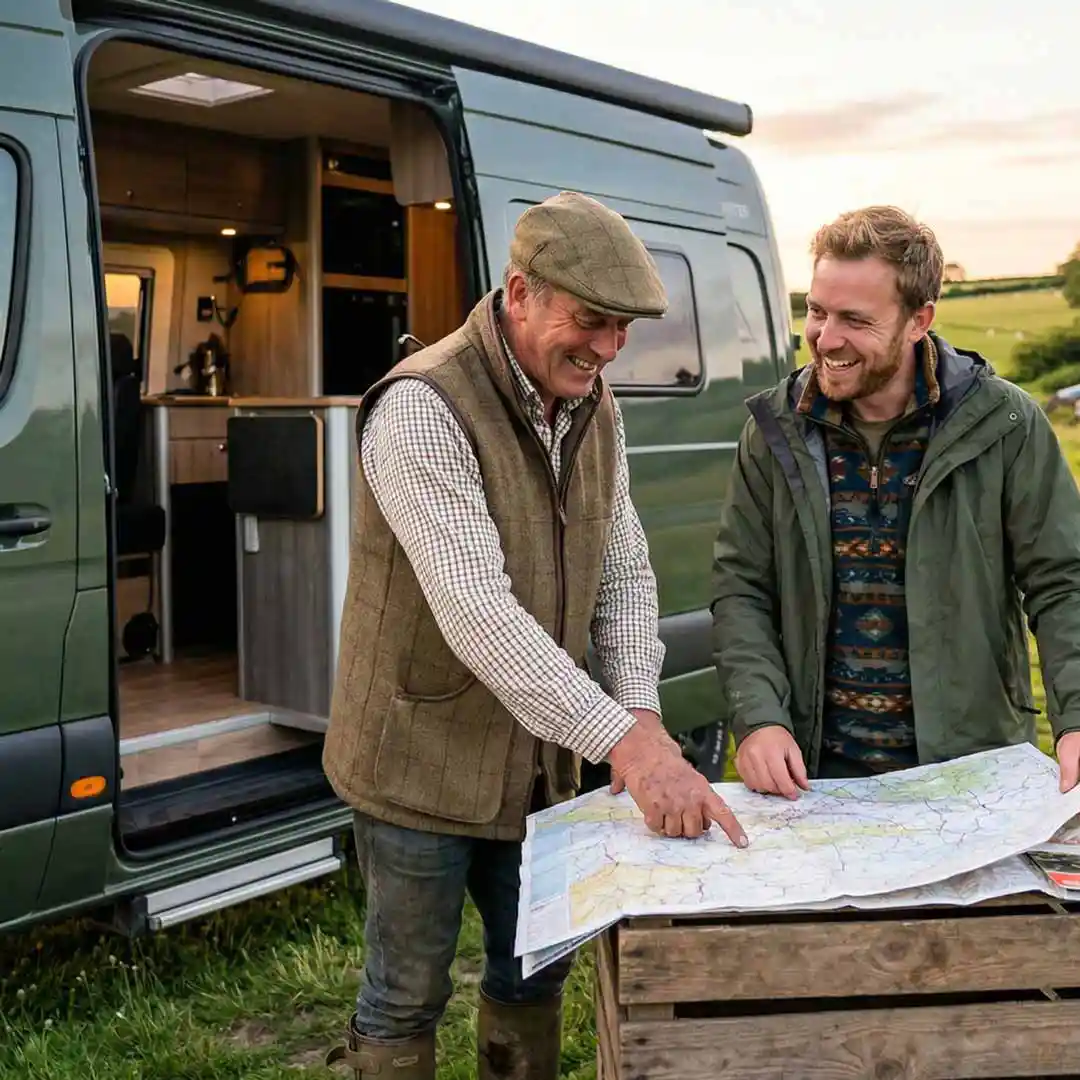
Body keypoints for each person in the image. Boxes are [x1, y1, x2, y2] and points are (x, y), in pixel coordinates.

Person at [322, 191, 747, 1080]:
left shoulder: (596, 407)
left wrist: (640, 709)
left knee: (534, 971)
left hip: (539, 764)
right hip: (419, 759)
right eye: (591, 320)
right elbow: (477, 612)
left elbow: (623, 569)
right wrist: (626, 745)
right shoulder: (420, 407)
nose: (609, 348)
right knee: (406, 994)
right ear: (520, 293)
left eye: (623, 327)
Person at [711, 204, 1080, 796]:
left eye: (855, 320)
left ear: (918, 320)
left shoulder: (1005, 423)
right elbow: (742, 588)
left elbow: (1063, 581)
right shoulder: (774, 429)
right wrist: (758, 718)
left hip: (969, 772)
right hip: (816, 780)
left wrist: (1076, 719)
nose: (826, 338)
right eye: (817, 311)